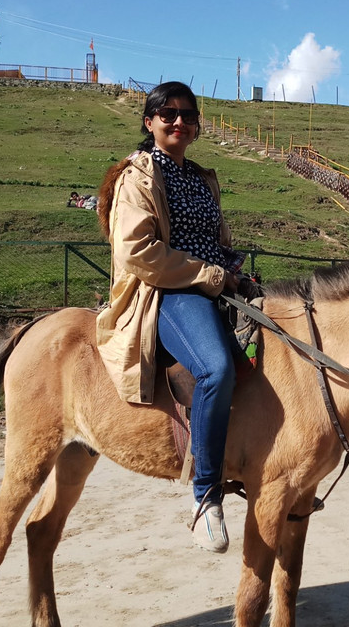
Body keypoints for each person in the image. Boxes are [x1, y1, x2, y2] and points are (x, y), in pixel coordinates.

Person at [96, 81, 244, 554]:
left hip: (215, 281)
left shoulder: (201, 178)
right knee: (215, 368)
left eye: (187, 115)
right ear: (150, 122)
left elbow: (214, 239)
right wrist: (209, 275)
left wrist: (233, 267)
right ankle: (206, 495)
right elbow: (138, 251)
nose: (179, 121)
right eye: (168, 113)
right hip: (169, 291)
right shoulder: (137, 176)